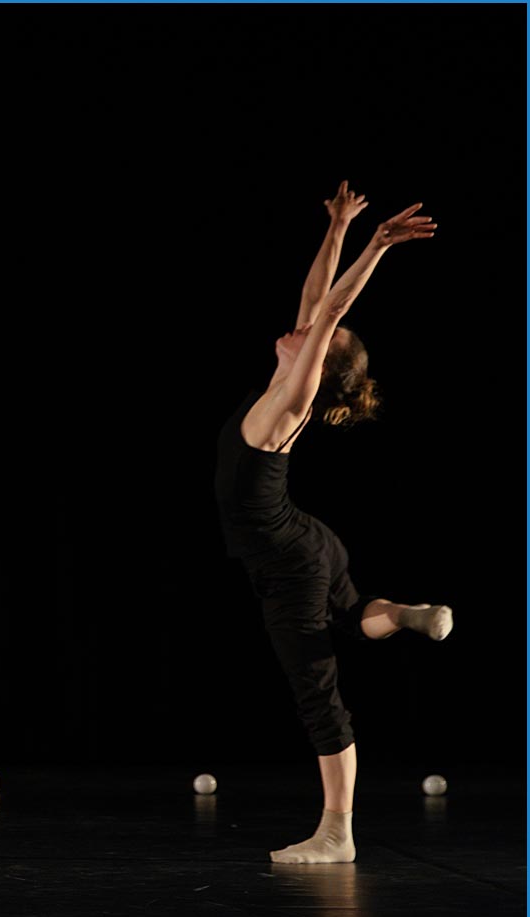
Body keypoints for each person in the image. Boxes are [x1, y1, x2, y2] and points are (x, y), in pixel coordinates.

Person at [214, 182, 451, 864]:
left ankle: (336, 834)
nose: (305, 325)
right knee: (349, 615)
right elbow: (319, 297)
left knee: (316, 694)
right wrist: (340, 228)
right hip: (306, 542)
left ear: (319, 362)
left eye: (319, 337)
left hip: (293, 558)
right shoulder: (282, 383)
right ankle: (400, 613)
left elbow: (331, 308)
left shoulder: (291, 401)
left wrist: (375, 244)